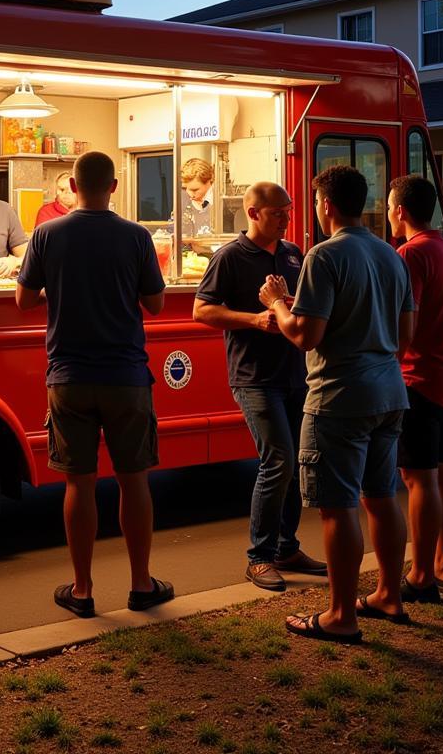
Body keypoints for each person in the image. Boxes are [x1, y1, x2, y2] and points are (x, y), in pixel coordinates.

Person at [260, 165, 413, 644]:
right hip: (389, 391)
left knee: (338, 505)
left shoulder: (324, 257)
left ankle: (341, 614)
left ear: (325, 203)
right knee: (382, 497)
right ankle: (390, 593)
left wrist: (278, 302)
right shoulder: (391, 256)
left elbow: (306, 336)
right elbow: (405, 336)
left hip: (338, 397)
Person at [16, 151, 172, 617]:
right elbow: (157, 304)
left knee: (78, 486)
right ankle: (141, 584)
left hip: (68, 377)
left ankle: (82, 590)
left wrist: (59, 288)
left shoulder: (47, 234)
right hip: (126, 375)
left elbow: (24, 299)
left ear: (73, 186)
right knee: (134, 482)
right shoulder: (137, 236)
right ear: (114, 186)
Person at [193, 182, 326, 591]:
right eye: (278, 213)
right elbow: (201, 310)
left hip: (293, 374)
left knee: (294, 462)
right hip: (253, 377)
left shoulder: (291, 255)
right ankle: (259, 557)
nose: (287, 219)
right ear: (253, 213)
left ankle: (286, 547)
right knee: (278, 459)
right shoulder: (229, 257)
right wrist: (254, 319)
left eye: (288, 211)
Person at [386, 175, 443, 604]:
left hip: (419, 377)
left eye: (388, 206)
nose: (387, 213)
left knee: (417, 478)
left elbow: (408, 322)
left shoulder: (410, 255)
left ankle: (419, 576)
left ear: (400, 211)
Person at [180, 158, 215, 237]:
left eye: (195, 190)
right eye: (185, 188)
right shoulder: (182, 199)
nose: (189, 194)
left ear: (209, 182)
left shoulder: (221, 204)